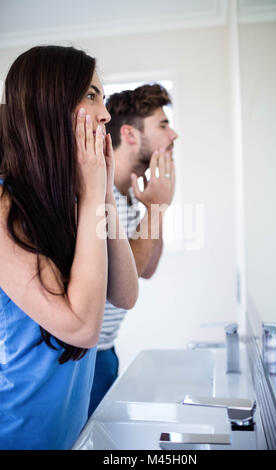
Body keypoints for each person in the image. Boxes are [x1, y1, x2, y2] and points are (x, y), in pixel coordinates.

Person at [0, 45, 138, 450]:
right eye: (91, 95)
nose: (105, 114)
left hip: (65, 437)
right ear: (51, 106)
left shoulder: (74, 202)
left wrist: (105, 191)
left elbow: (125, 294)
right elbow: (81, 327)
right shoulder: (6, 207)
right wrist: (95, 195)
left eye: (104, 98)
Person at [88, 84, 178, 417]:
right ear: (128, 134)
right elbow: (123, 286)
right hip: (84, 359)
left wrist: (159, 207)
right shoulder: (101, 195)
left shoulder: (127, 195)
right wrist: (155, 208)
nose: (174, 134)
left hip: (106, 351)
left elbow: (146, 269)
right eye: (163, 125)